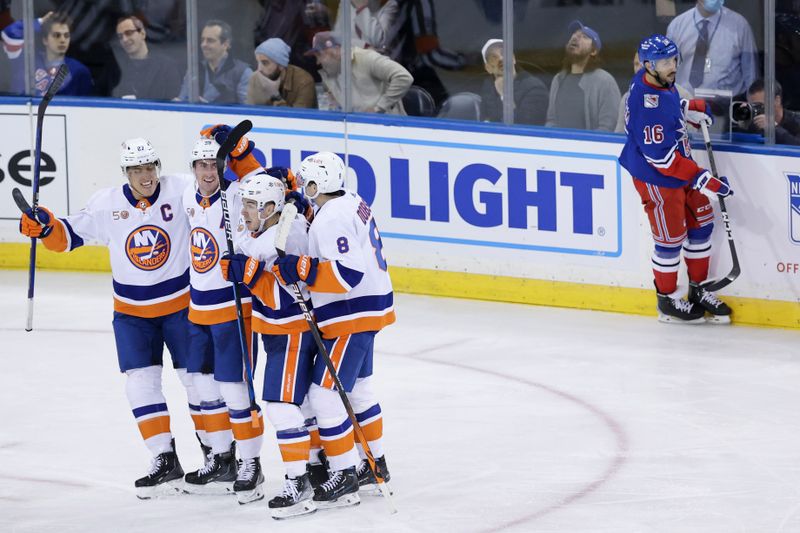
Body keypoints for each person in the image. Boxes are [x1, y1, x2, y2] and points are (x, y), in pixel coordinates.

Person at [18, 139, 204, 497]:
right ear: (126, 173)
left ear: (158, 167)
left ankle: (215, 454)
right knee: (139, 383)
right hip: (132, 315)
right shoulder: (106, 204)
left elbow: (213, 198)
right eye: (136, 170)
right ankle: (164, 458)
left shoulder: (181, 189)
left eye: (150, 167)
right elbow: (66, 237)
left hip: (181, 308)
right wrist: (44, 227)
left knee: (197, 383)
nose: (145, 176)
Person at [272, 152, 396, 506]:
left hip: (351, 315)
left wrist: (301, 268)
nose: (304, 188)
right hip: (372, 308)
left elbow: (347, 274)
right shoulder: (351, 200)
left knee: (325, 394)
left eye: (307, 184)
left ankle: (343, 473)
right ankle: (376, 464)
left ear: (316, 185)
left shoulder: (330, 220)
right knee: (360, 391)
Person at [221, 172, 322, 518]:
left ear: (269, 207)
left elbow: (285, 297)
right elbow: (252, 250)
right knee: (303, 404)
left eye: (251, 204)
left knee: (280, 405)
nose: (244, 211)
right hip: (277, 330)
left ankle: (300, 480)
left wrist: (248, 275)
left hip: (292, 328)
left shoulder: (288, 235)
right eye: (244, 203)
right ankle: (317, 465)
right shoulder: (269, 229)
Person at [618, 34, 733, 324]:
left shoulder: (657, 80)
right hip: (656, 177)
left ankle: (697, 289)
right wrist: (704, 179)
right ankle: (667, 301)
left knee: (702, 224)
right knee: (670, 240)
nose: (672, 66)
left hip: (680, 168)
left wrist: (686, 108)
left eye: (673, 59)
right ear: (648, 64)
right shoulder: (647, 103)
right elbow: (662, 160)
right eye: (664, 61)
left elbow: (667, 107)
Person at [181, 131, 267, 503]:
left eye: (214, 163)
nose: (208, 171)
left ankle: (251, 462)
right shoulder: (187, 195)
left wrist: (242, 153)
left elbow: (267, 184)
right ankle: (221, 457)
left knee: (235, 389)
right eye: (201, 164)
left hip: (234, 308)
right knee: (202, 386)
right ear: (193, 168)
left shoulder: (238, 196)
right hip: (198, 308)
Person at [666, 0, 757, 97]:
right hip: (685, 104)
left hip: (727, 106)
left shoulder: (739, 25)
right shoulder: (677, 26)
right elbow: (666, 70)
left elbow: (751, 74)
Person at [307, 31, 412, 114]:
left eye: (320, 55)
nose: (318, 62)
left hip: (388, 126)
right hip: (355, 129)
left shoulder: (367, 58)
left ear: (337, 50)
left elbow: (403, 77)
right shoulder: (329, 72)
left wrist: (378, 108)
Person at [546, 20, 620, 132]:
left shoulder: (605, 81)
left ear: (594, 51)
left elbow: (608, 127)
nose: (575, 38)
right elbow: (551, 121)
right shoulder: (558, 79)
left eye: (584, 37)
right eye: (574, 35)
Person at [2, 11, 93, 96]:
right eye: (56, 35)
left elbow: (87, 107)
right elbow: (9, 34)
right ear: (45, 40)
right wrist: (40, 22)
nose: (62, 40)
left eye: (66, 36)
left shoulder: (79, 71)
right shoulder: (26, 61)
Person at [177, 19, 252, 104]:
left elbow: (247, 111)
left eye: (210, 40)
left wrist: (210, 108)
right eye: (202, 40)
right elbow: (182, 101)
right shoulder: (194, 70)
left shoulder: (243, 72)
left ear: (225, 44)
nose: (203, 45)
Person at [616, 51, 692, 133]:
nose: (638, 69)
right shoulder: (628, 97)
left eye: (644, 64)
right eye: (636, 64)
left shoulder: (684, 96)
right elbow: (619, 136)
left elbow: (690, 137)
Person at [479, 38, 548, 126]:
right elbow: (484, 120)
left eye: (503, 53)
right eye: (494, 57)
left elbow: (528, 127)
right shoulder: (488, 86)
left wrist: (505, 95)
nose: (501, 58)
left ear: (513, 59)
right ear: (488, 68)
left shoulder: (535, 88)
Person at [112, 15, 182, 100]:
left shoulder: (166, 67)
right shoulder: (115, 69)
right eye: (120, 36)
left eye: (129, 33)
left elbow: (174, 102)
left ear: (142, 33)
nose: (124, 39)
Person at [245, 37, 316, 108]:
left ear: (281, 65)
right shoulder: (255, 78)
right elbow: (250, 112)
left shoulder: (304, 81)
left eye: (265, 63)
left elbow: (298, 117)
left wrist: (274, 94)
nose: (259, 69)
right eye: (258, 62)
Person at [739, 78, 800, 146]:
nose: (756, 110)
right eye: (753, 106)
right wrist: (742, 122)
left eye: (760, 105)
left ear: (777, 100)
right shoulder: (754, 123)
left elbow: (797, 145)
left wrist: (774, 128)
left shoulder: (796, 121)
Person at [333, 0, 399, 51]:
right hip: (350, 60)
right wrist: (364, 45)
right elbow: (338, 36)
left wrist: (361, 8)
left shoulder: (389, 4)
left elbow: (379, 41)